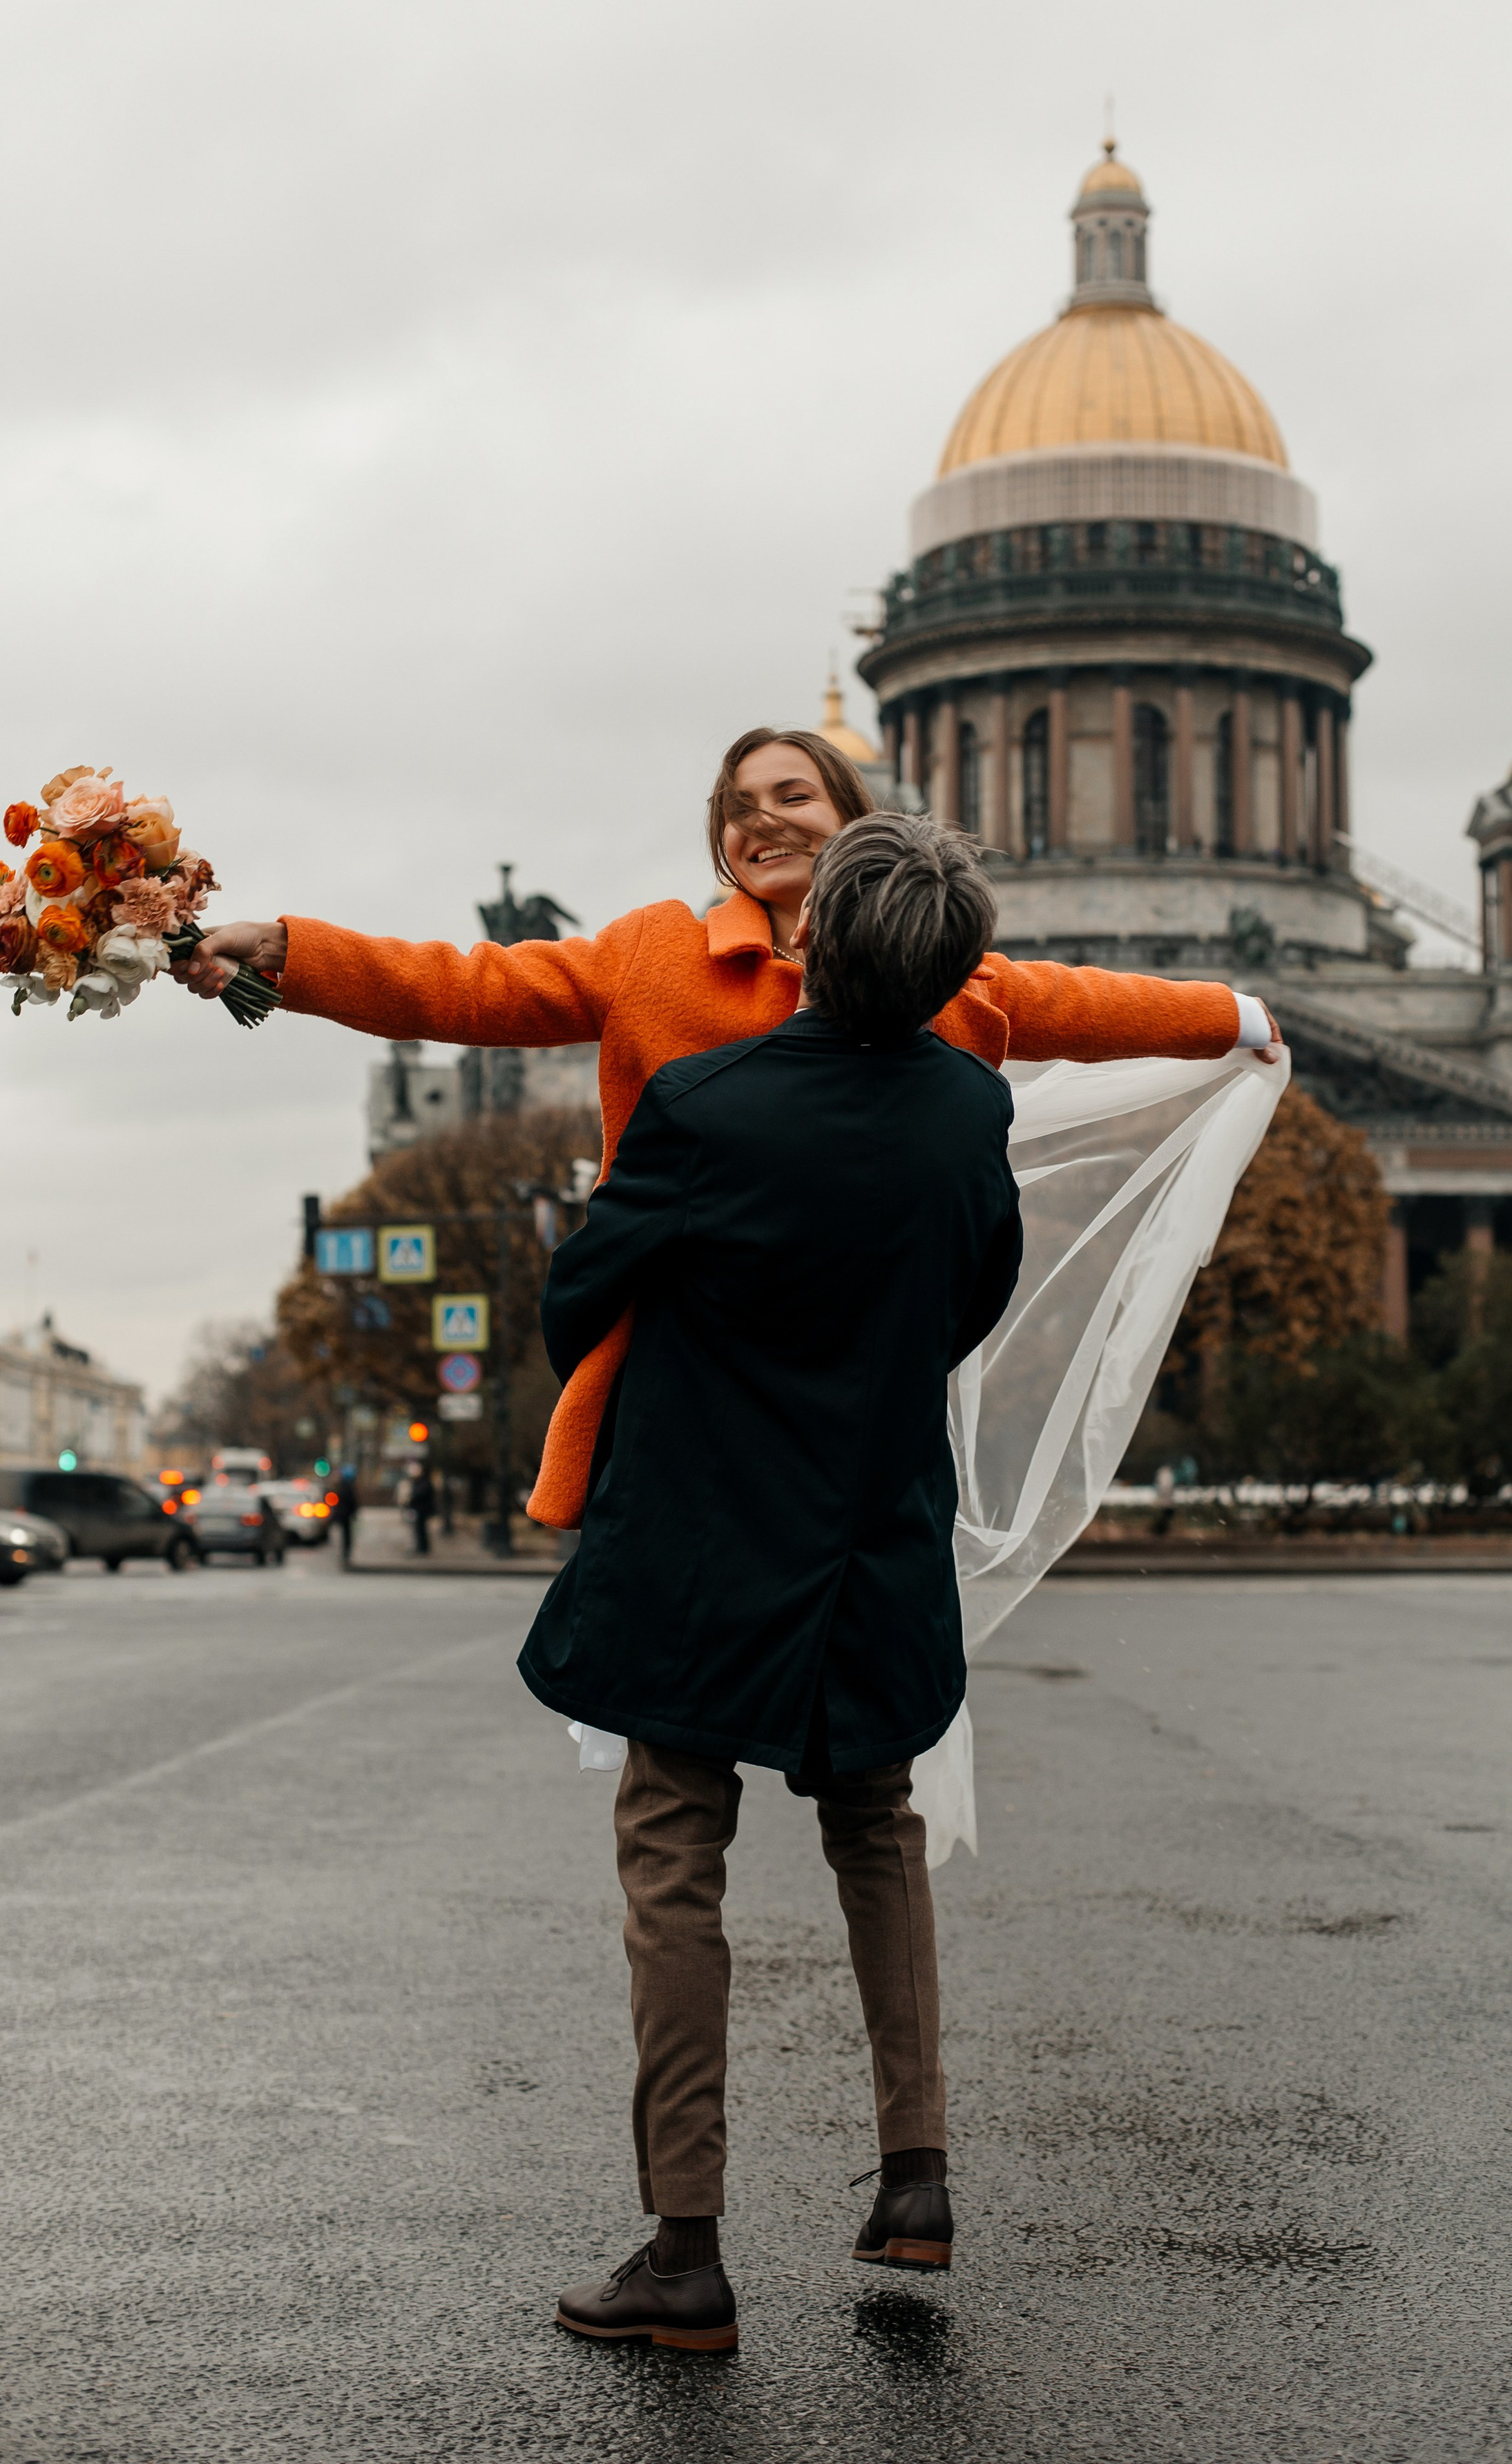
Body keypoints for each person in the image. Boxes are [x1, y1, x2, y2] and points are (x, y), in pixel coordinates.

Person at [177, 724, 1280, 1536]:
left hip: (857, 1391)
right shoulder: (654, 959)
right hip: (687, 1386)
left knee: (862, 1760)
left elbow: (1081, 1003)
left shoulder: (948, 976)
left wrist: (1232, 1017)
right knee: (676, 1759)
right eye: (737, 809)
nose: (759, 820)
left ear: (859, 821)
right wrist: (282, 945)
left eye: (792, 795)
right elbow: (463, 988)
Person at [523, 814, 1022, 2354]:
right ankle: (914, 2176)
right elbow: (974, 1293)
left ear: (809, 944)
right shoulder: (965, 1111)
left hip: (696, 1546)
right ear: (946, 965)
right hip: (871, 1544)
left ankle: (685, 2253)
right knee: (877, 1833)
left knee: (675, 1864)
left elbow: (579, 1298)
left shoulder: (701, 1102)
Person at [332, 1463, 358, 1569]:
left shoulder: (342, 1486)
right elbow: (352, 1502)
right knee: (346, 1537)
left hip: (342, 1515)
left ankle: (345, 1555)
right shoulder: (347, 1488)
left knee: (345, 1536)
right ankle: (346, 1555)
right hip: (345, 1516)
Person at [406, 1461, 434, 1557]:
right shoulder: (419, 1482)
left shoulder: (424, 1482)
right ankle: (421, 1547)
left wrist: (410, 1498)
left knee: (421, 1529)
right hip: (418, 1509)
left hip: (422, 1509)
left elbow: (420, 1495)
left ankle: (423, 1548)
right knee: (418, 1529)